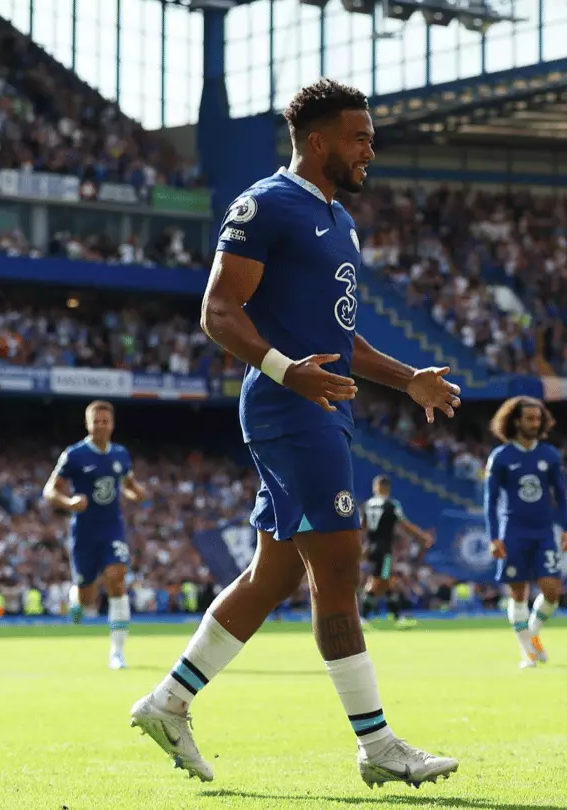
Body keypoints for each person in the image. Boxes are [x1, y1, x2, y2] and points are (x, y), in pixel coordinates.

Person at [128, 79, 463, 788]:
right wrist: (287, 371)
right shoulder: (266, 205)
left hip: (320, 406)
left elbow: (341, 340)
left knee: (275, 572)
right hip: (288, 409)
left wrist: (409, 379)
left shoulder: (340, 222)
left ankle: (168, 702)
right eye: (359, 137)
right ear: (318, 142)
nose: (370, 149)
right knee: (338, 568)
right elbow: (218, 312)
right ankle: (377, 745)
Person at [42, 400, 146, 669]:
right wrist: (69, 503)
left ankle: (117, 652)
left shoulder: (121, 454)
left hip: (112, 526)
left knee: (116, 577)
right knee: (88, 596)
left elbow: (130, 484)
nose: (100, 425)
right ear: (88, 424)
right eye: (95, 421)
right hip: (84, 532)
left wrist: (137, 493)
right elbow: (50, 490)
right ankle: (76, 597)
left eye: (105, 421)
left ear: (112, 424)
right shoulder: (74, 455)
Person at [484, 396, 567, 668]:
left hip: (544, 532)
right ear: (516, 421)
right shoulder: (501, 457)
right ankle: (528, 652)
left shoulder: (549, 454)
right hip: (513, 532)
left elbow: (561, 494)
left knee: (552, 591)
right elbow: (490, 501)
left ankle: (531, 635)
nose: (535, 423)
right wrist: (494, 537)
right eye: (530, 419)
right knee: (518, 593)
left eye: (538, 418)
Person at [361, 475, 434, 629]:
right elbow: (405, 524)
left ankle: (397, 617)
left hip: (371, 546)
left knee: (388, 582)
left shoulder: (367, 504)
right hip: (384, 548)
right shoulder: (391, 504)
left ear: (375, 487)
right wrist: (422, 537)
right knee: (377, 581)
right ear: (387, 488)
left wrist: (361, 546)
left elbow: (362, 526)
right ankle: (363, 616)